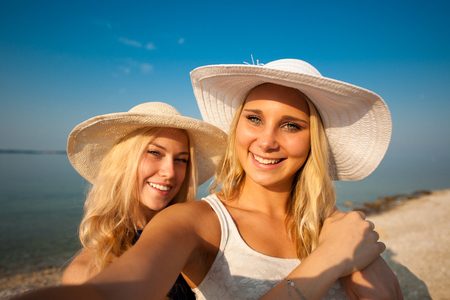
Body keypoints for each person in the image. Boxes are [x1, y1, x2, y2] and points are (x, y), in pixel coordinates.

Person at [13, 60, 401, 300]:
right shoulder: (191, 223)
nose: (266, 140)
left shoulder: (338, 227)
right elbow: (115, 290)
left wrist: (344, 243)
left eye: (291, 125)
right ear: (237, 130)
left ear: (313, 142)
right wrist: (331, 262)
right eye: (254, 118)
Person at [61, 101, 227, 299]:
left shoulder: (199, 237)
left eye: (181, 159)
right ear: (123, 161)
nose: (170, 172)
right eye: (155, 153)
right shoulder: (88, 271)